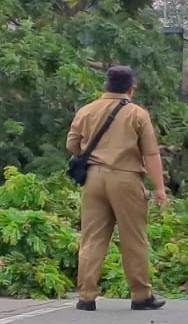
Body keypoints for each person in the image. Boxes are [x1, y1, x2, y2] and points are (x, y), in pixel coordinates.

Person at [66, 65, 168, 311]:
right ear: (131, 89)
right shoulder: (137, 114)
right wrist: (160, 189)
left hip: (94, 179)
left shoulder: (87, 110)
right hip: (126, 179)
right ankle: (141, 295)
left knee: (92, 238)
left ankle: (87, 297)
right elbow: (151, 154)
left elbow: (72, 145)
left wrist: (93, 154)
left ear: (106, 87)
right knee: (133, 237)